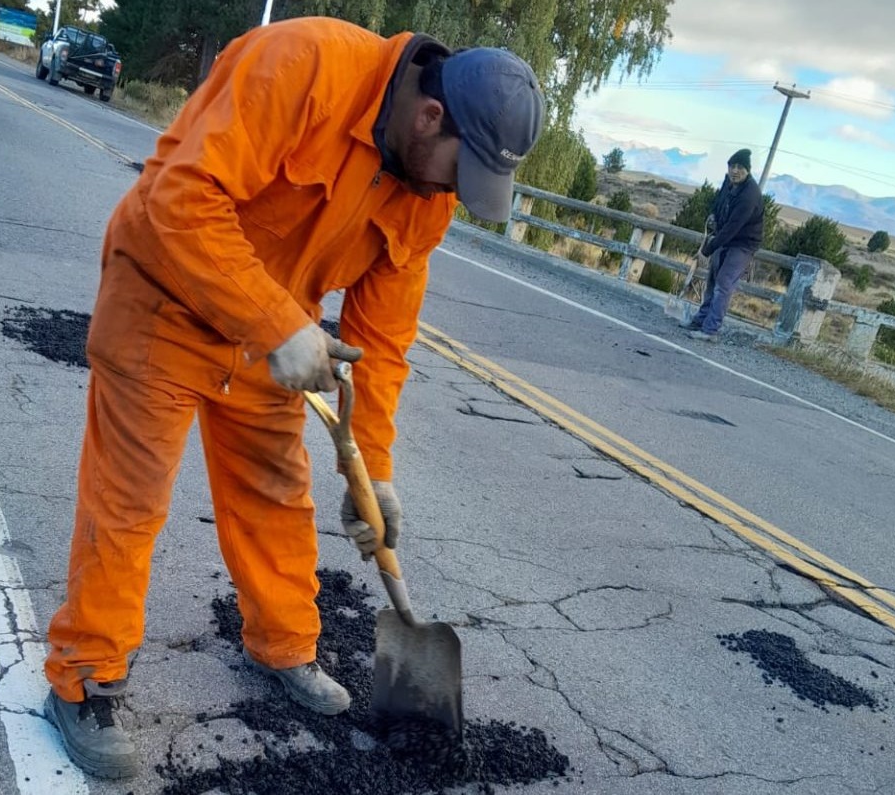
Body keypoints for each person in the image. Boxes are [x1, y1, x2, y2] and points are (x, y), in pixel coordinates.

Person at [41, 16, 545, 779]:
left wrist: (372, 471)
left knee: (277, 493)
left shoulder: (426, 192)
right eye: (457, 170)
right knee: (131, 498)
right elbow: (181, 197)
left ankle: (285, 647)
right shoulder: (304, 65)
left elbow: (383, 343)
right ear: (429, 116)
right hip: (166, 294)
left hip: (270, 332)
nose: (452, 192)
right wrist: (279, 322)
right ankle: (85, 678)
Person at [681, 148, 765, 341]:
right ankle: (700, 320)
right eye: (732, 166)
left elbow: (733, 227)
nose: (735, 171)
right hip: (724, 237)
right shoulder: (729, 182)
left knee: (724, 283)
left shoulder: (750, 195)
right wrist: (713, 215)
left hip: (743, 244)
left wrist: (708, 248)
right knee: (712, 280)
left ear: (748, 170)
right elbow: (719, 201)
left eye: (740, 167)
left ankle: (710, 330)